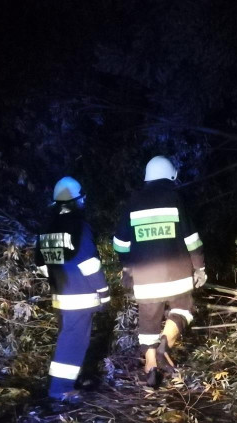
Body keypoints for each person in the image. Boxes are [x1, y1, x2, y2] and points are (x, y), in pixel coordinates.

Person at [112, 156, 206, 387]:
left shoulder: (133, 201)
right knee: (184, 308)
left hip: (146, 278)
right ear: (170, 175)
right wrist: (200, 267)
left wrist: (127, 266)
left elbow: (119, 243)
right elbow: (191, 238)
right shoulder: (174, 197)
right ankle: (165, 344)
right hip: (178, 275)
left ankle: (151, 363)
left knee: (148, 321)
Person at [35, 176, 110, 401]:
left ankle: (63, 384)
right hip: (81, 297)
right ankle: (60, 389)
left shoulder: (48, 227)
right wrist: (104, 293)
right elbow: (90, 264)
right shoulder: (79, 226)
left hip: (61, 296)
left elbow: (41, 265)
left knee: (68, 339)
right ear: (78, 200)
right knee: (74, 342)